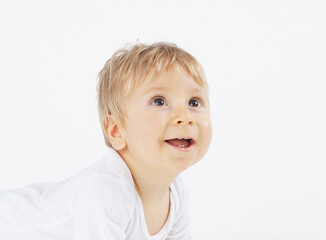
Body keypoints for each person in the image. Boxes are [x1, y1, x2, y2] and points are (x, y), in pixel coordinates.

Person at [0, 42, 212, 239]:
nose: (185, 115)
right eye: (159, 101)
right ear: (116, 131)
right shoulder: (105, 190)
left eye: (194, 102)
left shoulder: (175, 193)